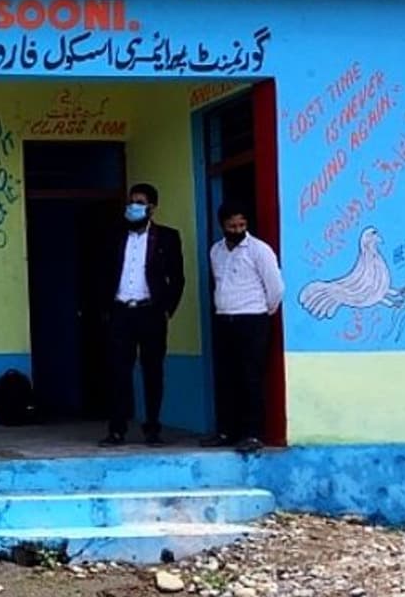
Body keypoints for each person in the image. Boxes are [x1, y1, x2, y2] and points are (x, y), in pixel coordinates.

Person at [99, 183, 185, 447]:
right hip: (121, 311)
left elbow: (177, 278)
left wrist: (166, 309)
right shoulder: (115, 235)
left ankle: (152, 429)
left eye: (139, 202)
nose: (133, 207)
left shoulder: (167, 237)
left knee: (153, 372)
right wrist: (106, 308)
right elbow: (101, 273)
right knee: (118, 373)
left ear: (152, 207)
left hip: (151, 312)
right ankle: (117, 429)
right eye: (131, 202)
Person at [201, 202, 284, 454]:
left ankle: (252, 434)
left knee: (250, 378)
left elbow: (276, 288)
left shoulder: (260, 250)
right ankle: (227, 431)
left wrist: (263, 312)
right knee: (226, 378)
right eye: (231, 226)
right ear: (222, 226)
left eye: (241, 225)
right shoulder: (216, 251)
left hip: (252, 320)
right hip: (225, 319)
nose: (237, 229)